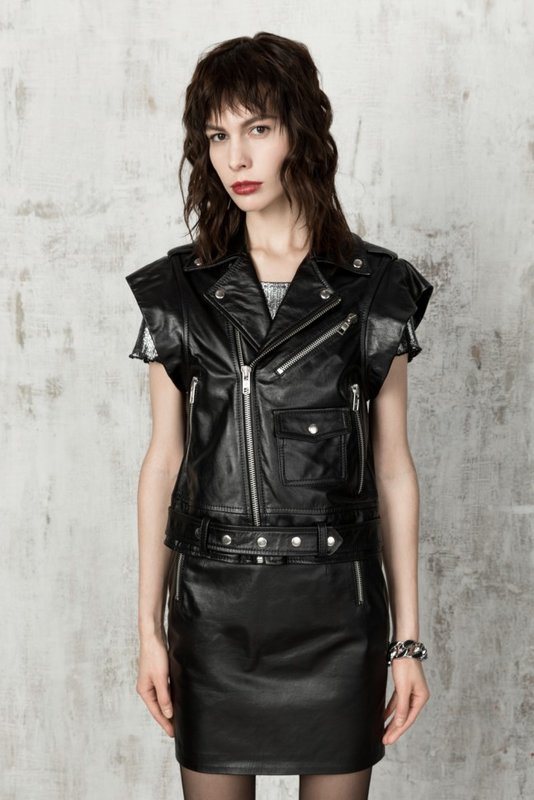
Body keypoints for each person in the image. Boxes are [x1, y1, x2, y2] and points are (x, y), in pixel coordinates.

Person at [125, 32, 433, 800]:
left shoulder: (376, 289)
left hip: (338, 613)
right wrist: (149, 632)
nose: (236, 157)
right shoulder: (178, 291)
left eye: (258, 128)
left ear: (301, 132)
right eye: (217, 136)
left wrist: (407, 643)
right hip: (213, 614)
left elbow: (393, 469)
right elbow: (164, 462)